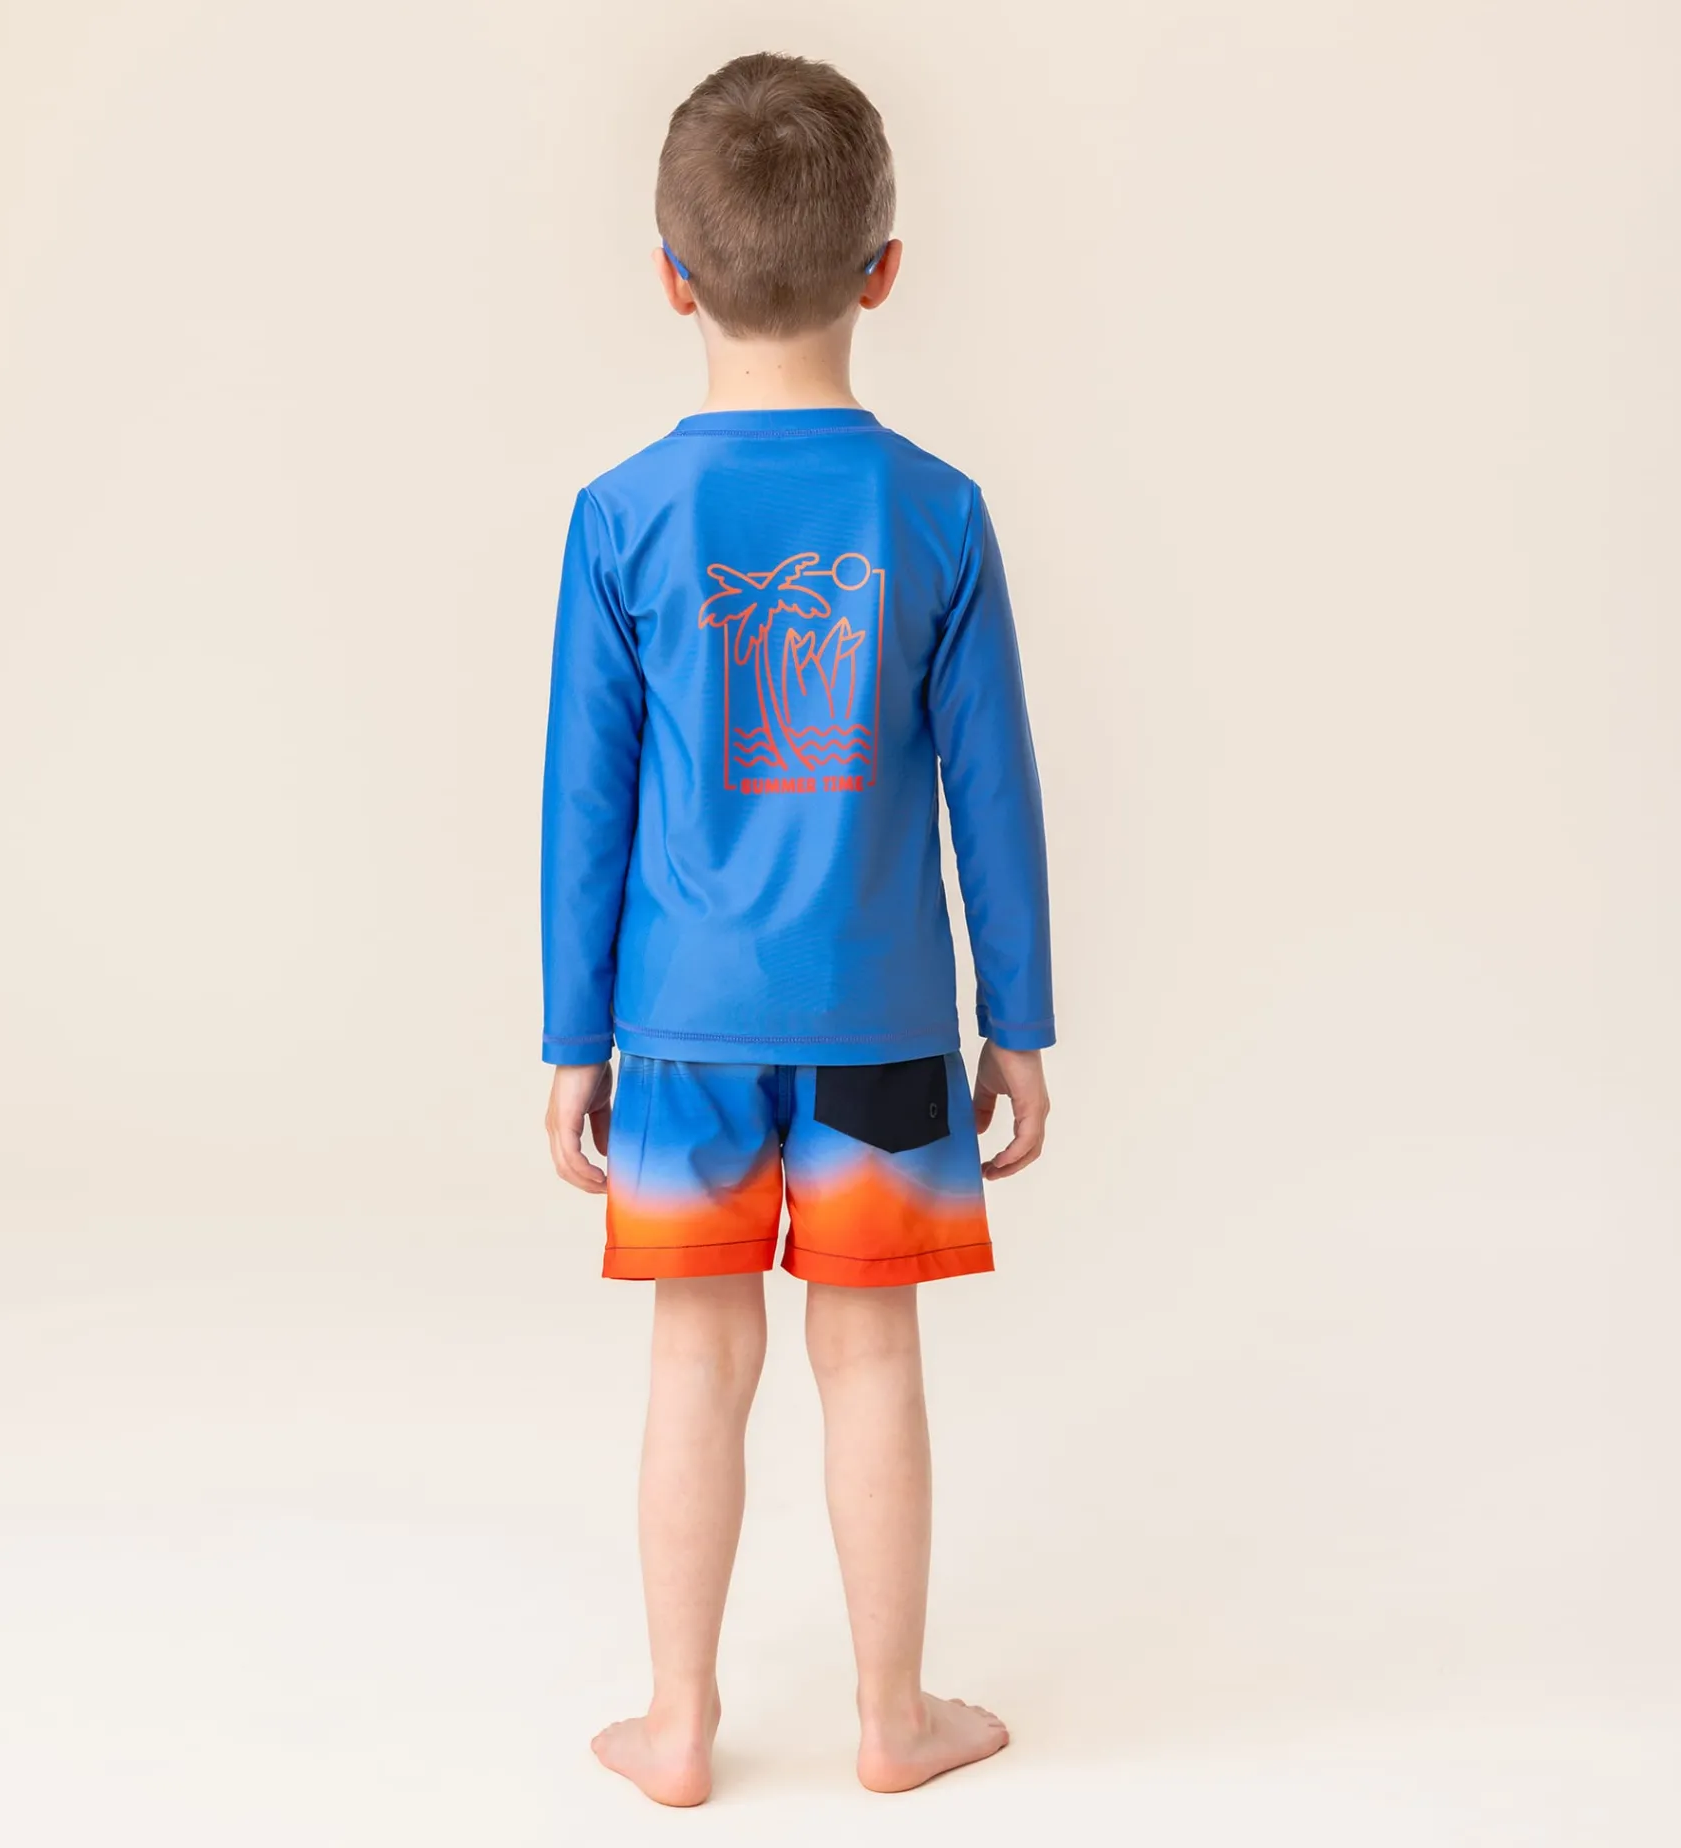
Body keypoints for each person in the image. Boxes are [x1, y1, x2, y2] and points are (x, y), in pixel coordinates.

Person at [539, 51, 1052, 1806]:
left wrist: (574, 1040)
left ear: (670, 273)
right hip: (882, 1023)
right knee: (870, 1356)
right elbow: (994, 793)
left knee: (697, 1360)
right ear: (883, 270)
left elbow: (586, 806)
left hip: (680, 1025)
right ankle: (893, 1720)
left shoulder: (624, 519)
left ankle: (678, 1724)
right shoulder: (938, 514)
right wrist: (1019, 1021)